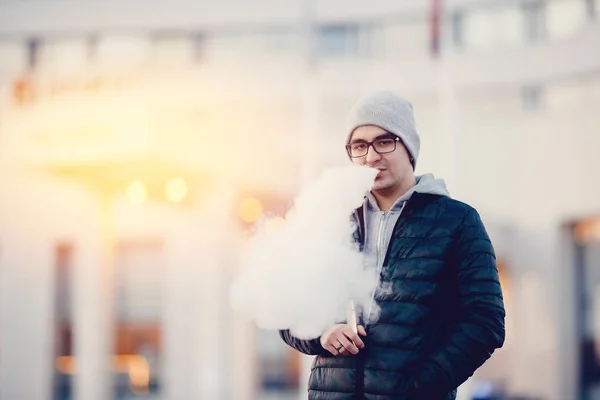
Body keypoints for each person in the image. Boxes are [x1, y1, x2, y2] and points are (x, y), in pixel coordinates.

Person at [280, 91, 506, 400]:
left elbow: (485, 321)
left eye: (384, 141)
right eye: (359, 146)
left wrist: (421, 386)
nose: (371, 156)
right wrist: (321, 333)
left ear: (409, 147)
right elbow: (285, 307)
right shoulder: (329, 218)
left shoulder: (457, 220)